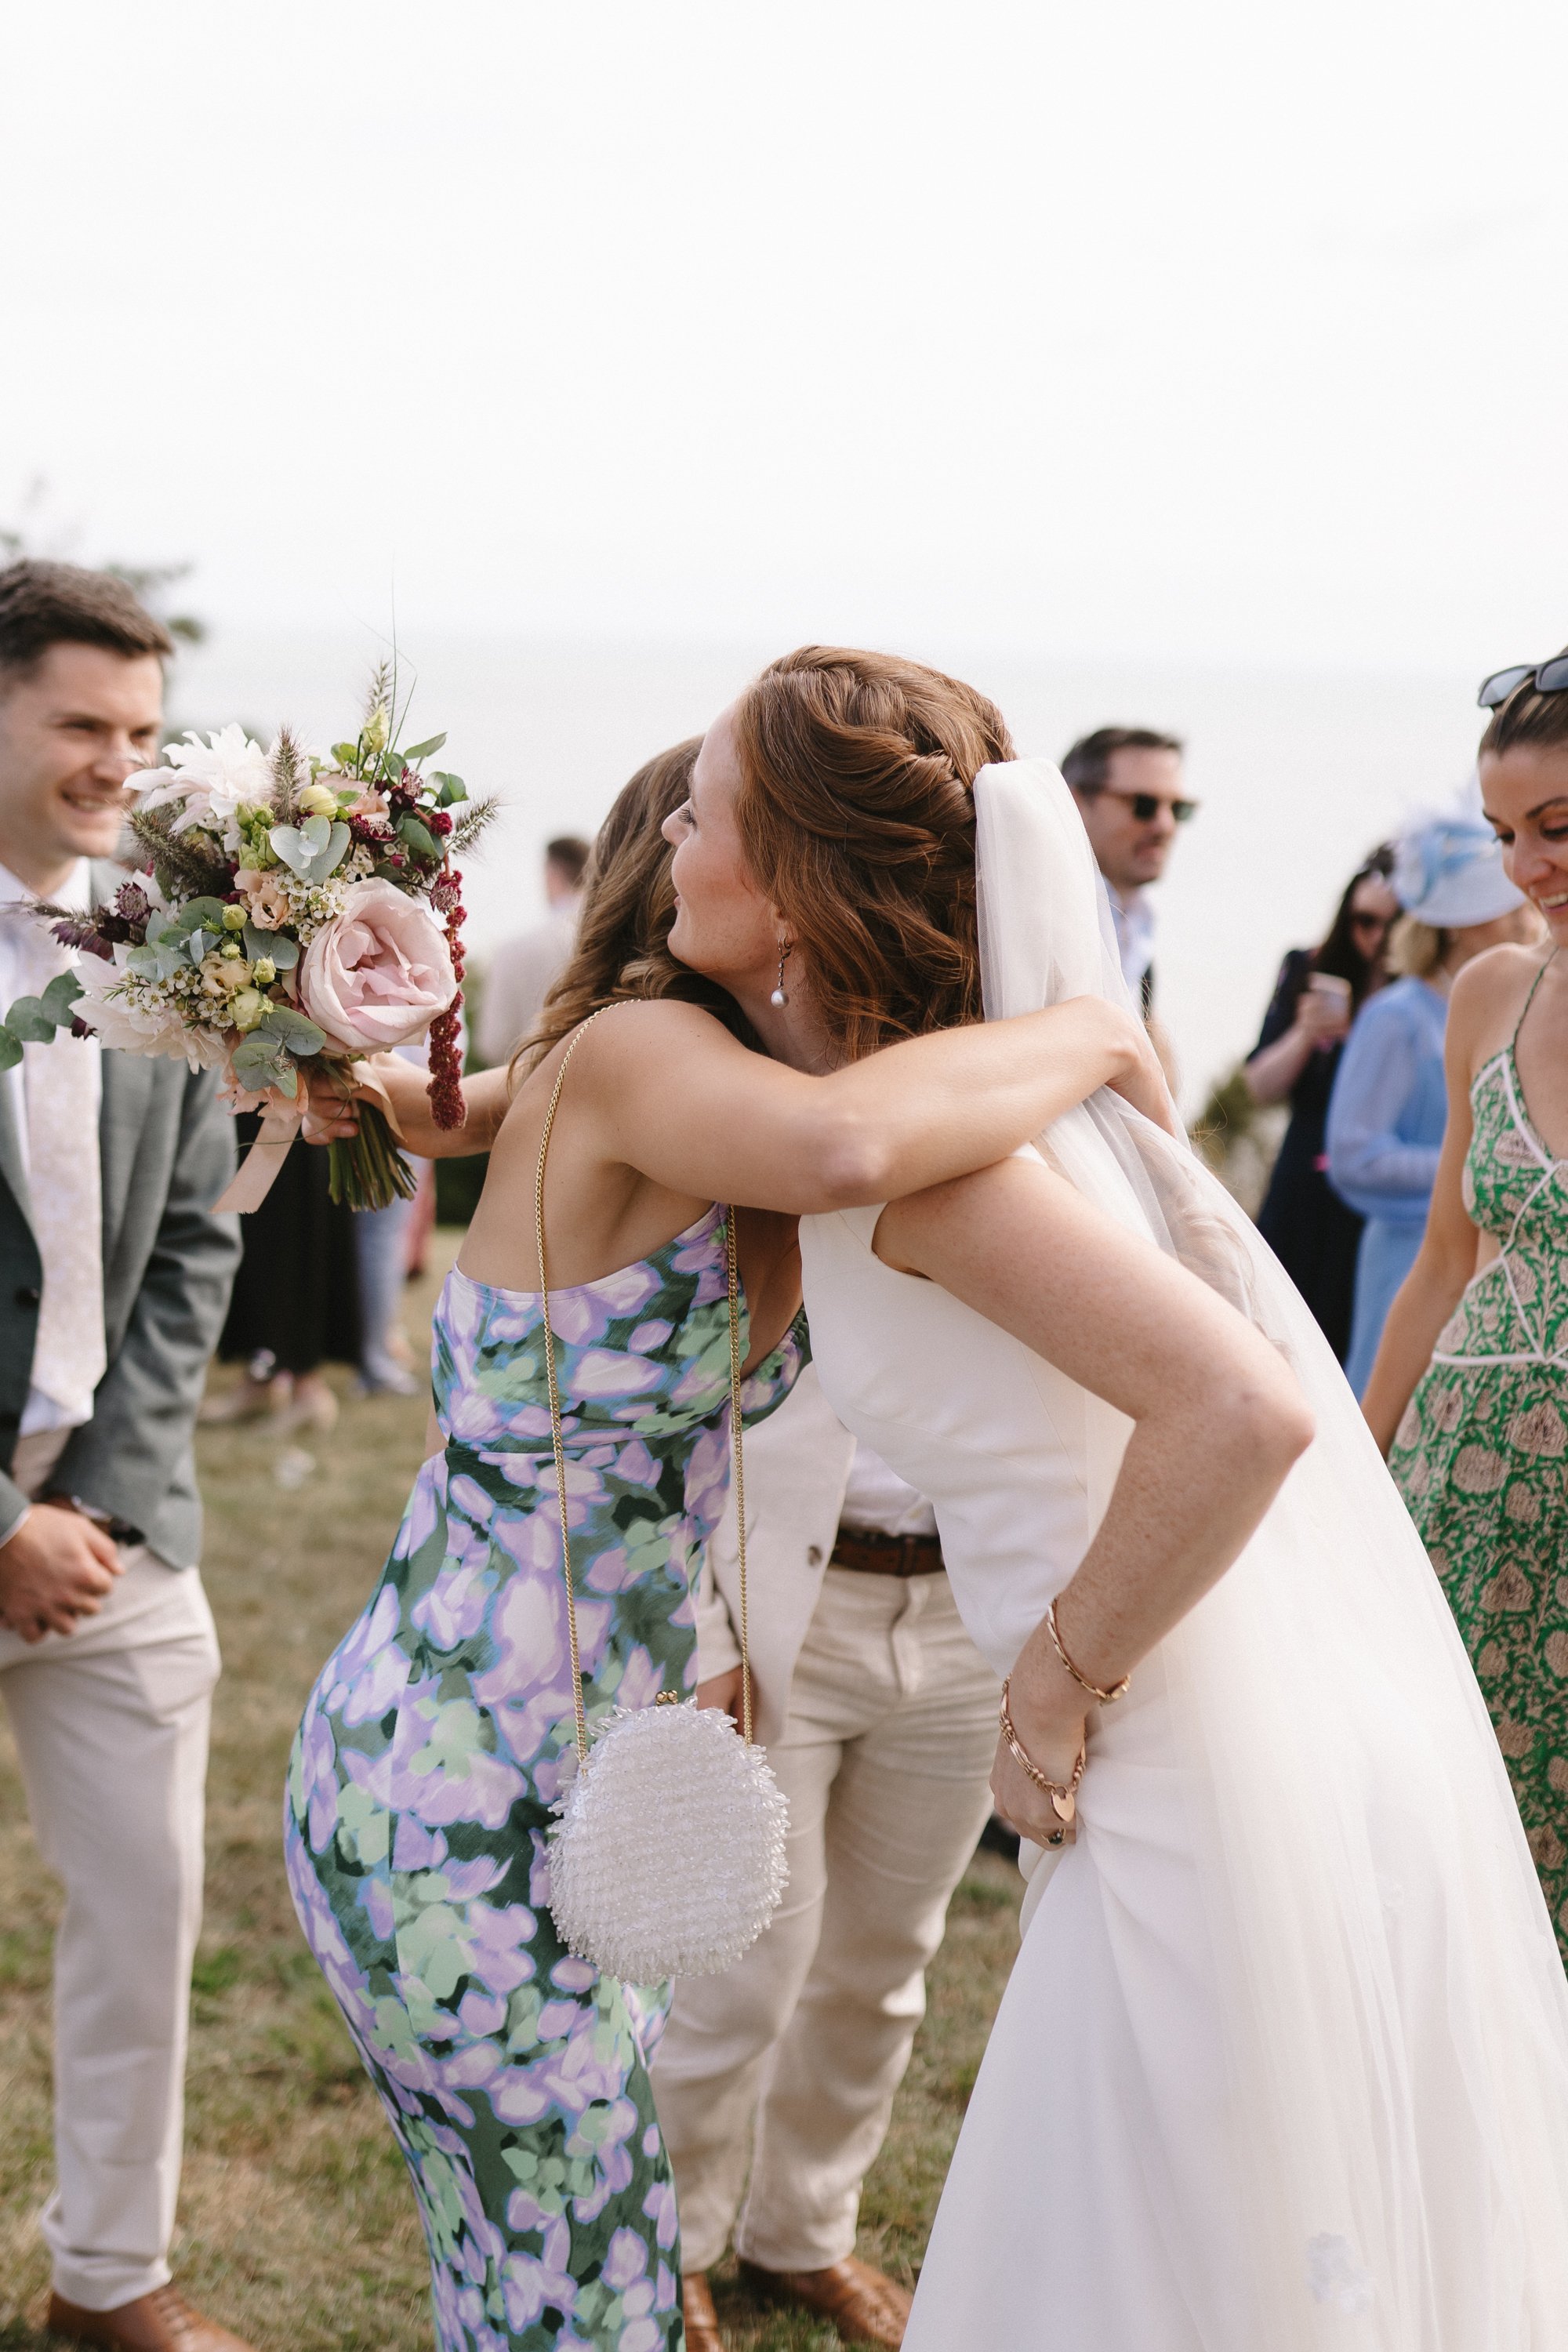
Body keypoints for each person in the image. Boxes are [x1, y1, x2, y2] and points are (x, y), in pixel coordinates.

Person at [654, 648, 1568, 2347]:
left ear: (787, 889)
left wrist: (1054, 1688)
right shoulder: (978, 1102)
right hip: (1230, 1733)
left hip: (1172, 1766)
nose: (667, 852)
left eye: (697, 819)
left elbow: (1239, 1408)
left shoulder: (937, 1167)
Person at [289, 735, 1169, 2352]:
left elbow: (453, 1118)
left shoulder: (674, 1103)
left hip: (568, 1764)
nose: (697, 840)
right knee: (581, 2273)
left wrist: (354, 1078)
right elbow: (842, 1151)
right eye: (690, 822)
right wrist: (1091, 1023)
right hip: (454, 1774)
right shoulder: (633, 1056)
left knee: (532, 2267)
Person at [0, 562, 249, 2351]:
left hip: (118, 1527)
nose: (116, 762)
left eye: (143, 732)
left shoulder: (165, 947)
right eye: (80, 722)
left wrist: (87, 1494)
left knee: (148, 1904)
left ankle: (111, 2276)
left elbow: (190, 1248)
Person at [652, 1365, 999, 2351]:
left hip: (966, 1610)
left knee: (883, 1963)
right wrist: (706, 1630)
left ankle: (801, 2232)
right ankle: (668, 2249)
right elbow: (667, 1406)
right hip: (780, 1600)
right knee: (735, 1976)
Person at [1364, 652, 1568, 1962]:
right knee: (1452, 1889)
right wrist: (1352, 1479)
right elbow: (1444, 1262)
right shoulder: (1494, 993)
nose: (1529, 868)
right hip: (1468, 1491)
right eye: (1506, 836)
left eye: (1560, 828)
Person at [1326, 814, 1533, 1396]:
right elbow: (1354, 1154)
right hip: (1410, 1263)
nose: (1526, 914)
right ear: (1460, 926)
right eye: (1506, 904)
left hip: (1496, 1267)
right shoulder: (1396, 1018)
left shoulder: (1516, 1011)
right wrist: (1473, 1171)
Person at [1243, 849, 1397, 1362]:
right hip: (1301, 1191)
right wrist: (1307, 1032)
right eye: (1365, 921)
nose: (1376, 937)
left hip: (1372, 1205)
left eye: (1392, 922)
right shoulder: (1308, 969)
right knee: (1269, 1338)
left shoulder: (1419, 1000)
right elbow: (1259, 1086)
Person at [1060, 725, 1192, 1014]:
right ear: (1075, 802)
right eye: (1143, 805)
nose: (1165, 826)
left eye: (1179, 809)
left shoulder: (1139, 927)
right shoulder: (1046, 918)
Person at [474, 833, 590, 1066]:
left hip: (526, 1088)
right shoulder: (620, 939)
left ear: (552, 873)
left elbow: (493, 1044)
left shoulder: (512, 950)